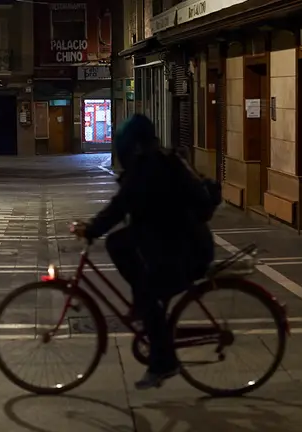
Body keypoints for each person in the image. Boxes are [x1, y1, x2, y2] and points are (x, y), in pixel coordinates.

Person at [73, 114, 217, 390]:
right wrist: (96, 228)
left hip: (186, 252)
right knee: (117, 243)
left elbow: (120, 206)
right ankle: (142, 299)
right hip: (175, 242)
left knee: (152, 296)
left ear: (135, 146)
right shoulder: (154, 162)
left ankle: (164, 362)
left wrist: (92, 228)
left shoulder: (150, 169)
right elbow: (124, 206)